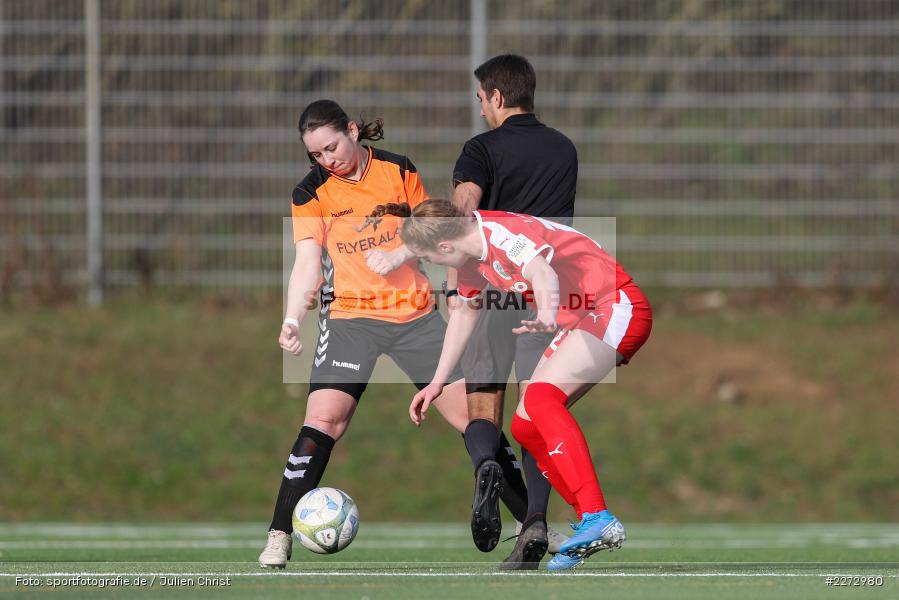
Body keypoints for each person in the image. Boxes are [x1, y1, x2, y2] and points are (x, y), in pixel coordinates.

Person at [258, 100, 533, 568]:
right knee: (325, 421)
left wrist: (401, 256)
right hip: (349, 320)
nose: (329, 159)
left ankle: (533, 525)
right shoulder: (310, 192)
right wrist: (290, 318)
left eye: (333, 146)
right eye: (317, 155)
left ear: (352, 130)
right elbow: (307, 262)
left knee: (476, 418)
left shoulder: (398, 169)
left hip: (415, 317)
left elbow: (428, 230)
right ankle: (280, 534)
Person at [374, 199, 652, 571]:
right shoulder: (471, 259)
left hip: (614, 305)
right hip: (584, 318)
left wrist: (547, 315)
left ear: (445, 247)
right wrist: (437, 382)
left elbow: (543, 274)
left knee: (539, 398)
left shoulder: (499, 234)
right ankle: (591, 522)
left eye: (430, 259)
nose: (435, 266)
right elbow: (465, 314)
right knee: (524, 424)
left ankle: (597, 516)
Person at [449, 53, 578, 568]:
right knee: (537, 412)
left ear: (497, 97)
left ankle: (486, 464)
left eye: (481, 99)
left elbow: (464, 207)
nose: (481, 109)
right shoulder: (564, 148)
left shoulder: (481, 148)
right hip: (546, 294)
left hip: (492, 290)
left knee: (483, 407)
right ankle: (536, 523)